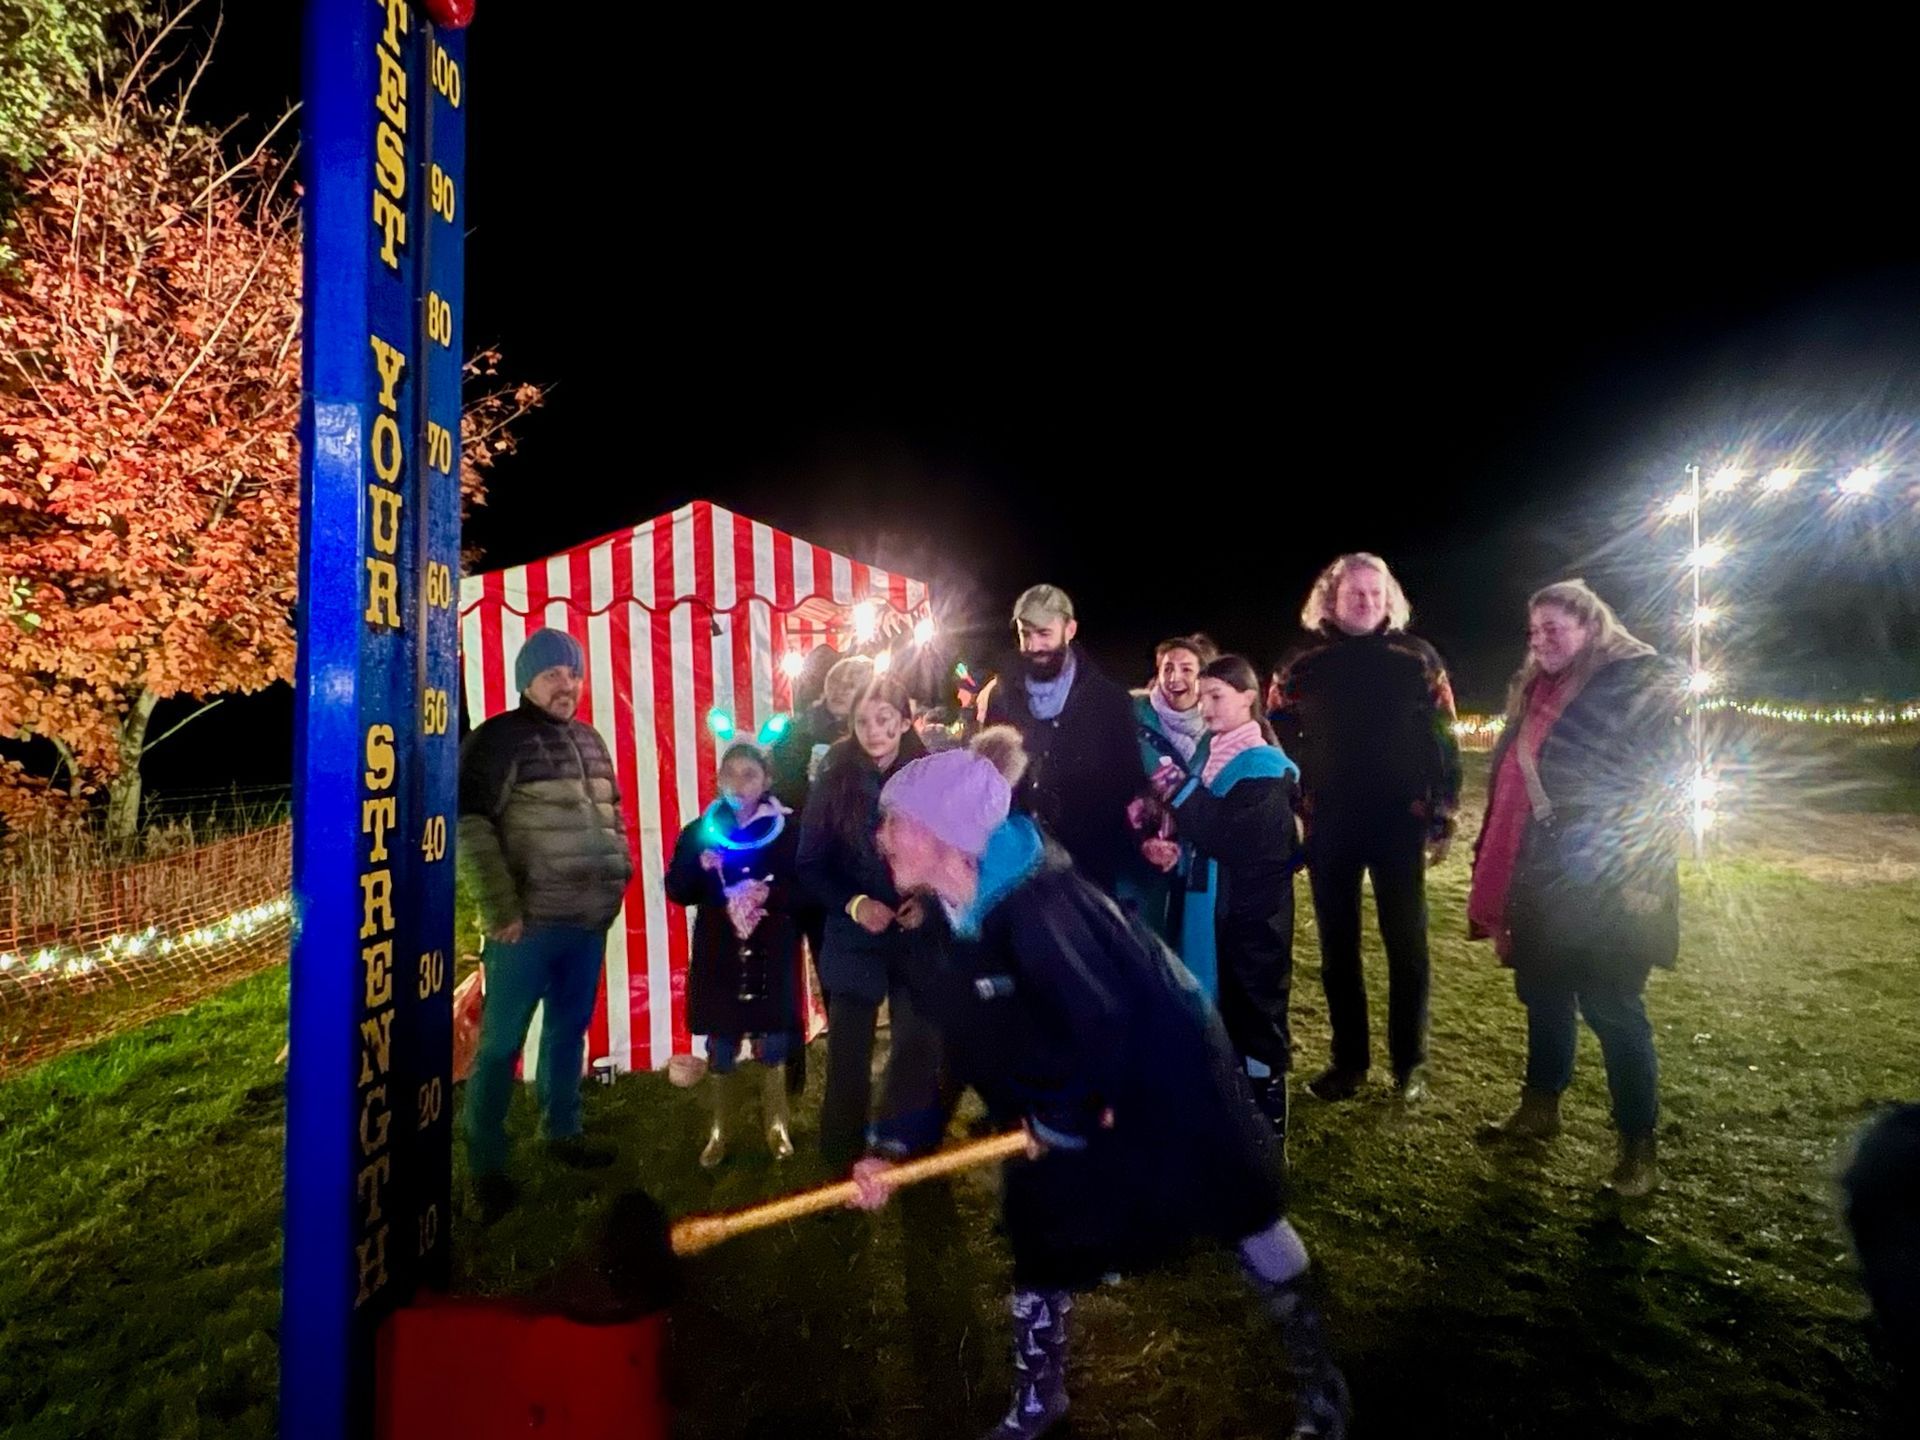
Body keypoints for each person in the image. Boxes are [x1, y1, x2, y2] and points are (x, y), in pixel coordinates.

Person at [850, 729, 1348, 1440]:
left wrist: (1060, 1117)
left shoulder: (1041, 908)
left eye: (896, 822)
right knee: (1038, 1227)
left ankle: (1322, 1385)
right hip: (1057, 1097)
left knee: (1244, 1209)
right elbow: (930, 1044)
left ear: (945, 835)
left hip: (1169, 1075)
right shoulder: (943, 921)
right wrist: (892, 1146)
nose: (881, 838)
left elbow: (1103, 1020)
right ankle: (1039, 1400)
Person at [1467, 579, 1682, 1197]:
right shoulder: (1535, 690)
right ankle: (1540, 1108)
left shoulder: (1631, 685)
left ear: (1591, 628)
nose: (1541, 641)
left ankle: (1638, 1147)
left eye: (1554, 629)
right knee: (1544, 994)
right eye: (1534, 631)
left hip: (1612, 872)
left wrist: (1645, 876)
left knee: (1613, 1008)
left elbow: (1662, 789)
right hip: (1543, 868)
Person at [458, 627, 634, 1223]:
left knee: (567, 1032)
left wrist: (617, 874)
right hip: (526, 927)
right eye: (553, 674)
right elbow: (470, 823)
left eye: (573, 674)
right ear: (526, 681)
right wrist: (499, 909)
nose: (567, 685)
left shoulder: (590, 739)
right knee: (500, 1045)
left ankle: (563, 1131)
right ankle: (486, 1165)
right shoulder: (497, 740)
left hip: (587, 923)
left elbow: (612, 813)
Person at [1273, 553, 1461, 1104]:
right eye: (1355, 592)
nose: (1366, 601)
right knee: (1337, 947)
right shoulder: (1300, 663)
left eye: (1376, 592)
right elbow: (1274, 737)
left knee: (1408, 944)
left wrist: (1444, 812)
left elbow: (1445, 736)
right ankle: (1348, 1062)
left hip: (1402, 818)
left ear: (1390, 597)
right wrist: (1292, 808)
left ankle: (1410, 1064)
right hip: (1329, 820)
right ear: (1330, 598)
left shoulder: (1418, 658)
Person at [1144, 656, 1301, 1142]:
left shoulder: (1263, 769)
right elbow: (1201, 831)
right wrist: (1171, 844)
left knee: (1252, 1020)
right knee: (1215, 1017)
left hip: (1249, 924)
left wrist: (1181, 792)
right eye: (1204, 697)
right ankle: (1225, 1113)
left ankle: (1267, 1124)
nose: (1206, 707)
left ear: (1248, 698)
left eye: (1217, 696)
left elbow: (1229, 836)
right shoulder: (1210, 754)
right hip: (1213, 914)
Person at [796, 675, 944, 1171]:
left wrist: (927, 902)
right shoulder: (835, 776)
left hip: (915, 935)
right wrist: (855, 904)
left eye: (885, 720)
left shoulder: (930, 776)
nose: (875, 731)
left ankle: (910, 1152)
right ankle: (841, 1161)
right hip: (854, 935)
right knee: (848, 1056)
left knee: (917, 1048)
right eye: (863, 721)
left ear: (904, 721)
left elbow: (953, 853)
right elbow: (811, 862)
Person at [665, 742, 803, 1168]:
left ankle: (776, 1124)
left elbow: (806, 889)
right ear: (718, 779)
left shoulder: (788, 831)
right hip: (720, 954)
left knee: (774, 1038)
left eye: (750, 775)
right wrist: (697, 867)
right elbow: (677, 890)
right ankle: (720, 1129)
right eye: (731, 774)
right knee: (721, 1041)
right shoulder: (699, 831)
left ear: (767, 781)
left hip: (770, 951)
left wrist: (770, 895)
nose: (739, 784)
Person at [982, 585, 1140, 894]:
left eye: (1044, 633)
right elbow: (988, 774)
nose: (1034, 645)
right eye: (1025, 634)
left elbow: (1127, 781)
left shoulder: (1109, 700)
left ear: (1070, 630)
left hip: (1086, 869)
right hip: (1018, 865)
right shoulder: (1002, 696)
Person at [768, 651, 874, 1096]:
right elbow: (776, 790)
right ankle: (788, 1063)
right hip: (793, 865)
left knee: (835, 970)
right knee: (784, 969)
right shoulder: (796, 731)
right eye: (841, 681)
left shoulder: (866, 732)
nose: (845, 690)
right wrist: (811, 787)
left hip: (836, 873)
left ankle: (844, 1063)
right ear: (828, 686)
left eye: (855, 684)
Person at [1121, 634, 1219, 938]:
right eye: (1167, 668)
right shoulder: (1131, 715)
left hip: (1196, 865)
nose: (1175, 678)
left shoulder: (1219, 724)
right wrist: (1141, 838)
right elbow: (1108, 782)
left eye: (1186, 669)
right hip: (1137, 861)